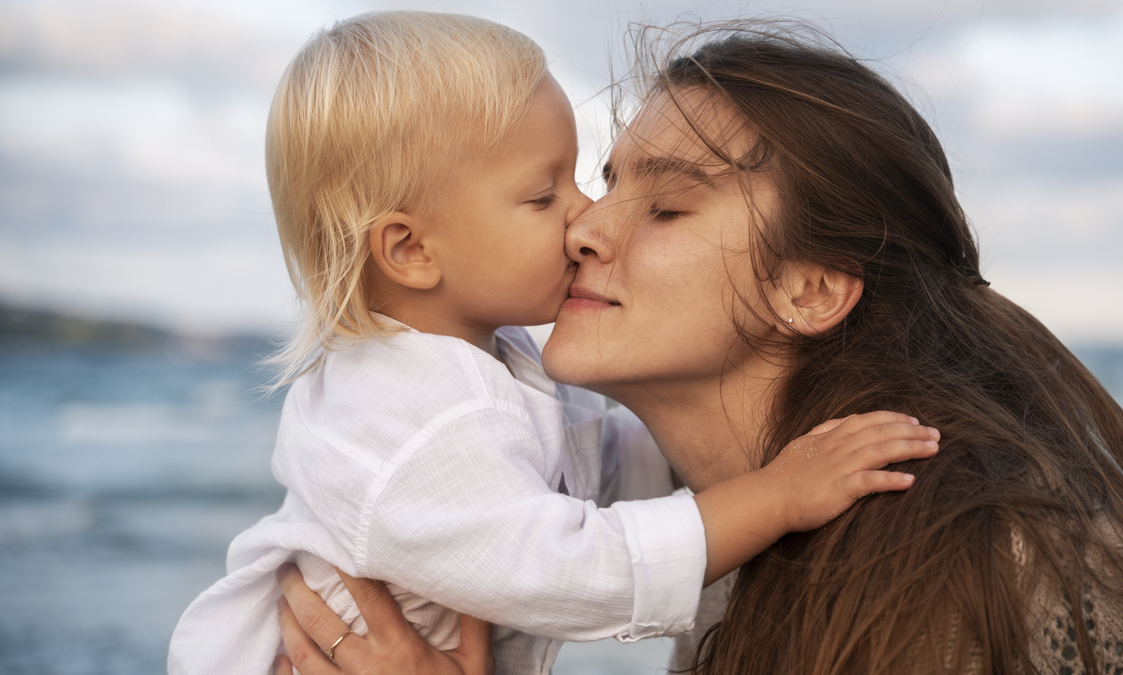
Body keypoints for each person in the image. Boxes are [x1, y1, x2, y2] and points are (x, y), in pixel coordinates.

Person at [272, 20, 1123, 675]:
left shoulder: (985, 570)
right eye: (597, 185)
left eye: (666, 206)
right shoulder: (752, 547)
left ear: (809, 289)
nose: (588, 228)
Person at [167, 13, 941, 675]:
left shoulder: (480, 363)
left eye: (660, 206)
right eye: (544, 196)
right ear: (409, 250)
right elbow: (575, 567)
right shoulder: (409, 417)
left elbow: (596, 465)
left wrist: (753, 456)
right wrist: (772, 495)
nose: (584, 219)